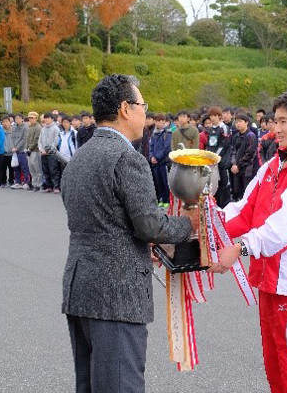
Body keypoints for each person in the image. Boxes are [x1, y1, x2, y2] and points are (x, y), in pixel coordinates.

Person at [61, 74, 196, 393]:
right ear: (125, 108)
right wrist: (189, 222)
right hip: (116, 292)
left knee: (91, 384)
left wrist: (137, 243)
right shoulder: (126, 158)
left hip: (81, 287)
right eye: (142, 106)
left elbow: (104, 222)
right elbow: (150, 225)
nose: (145, 115)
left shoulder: (79, 157)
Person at [219, 88, 287, 393]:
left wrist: (240, 248)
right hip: (269, 280)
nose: (275, 128)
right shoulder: (271, 167)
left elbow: (282, 228)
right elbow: (242, 212)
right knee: (276, 366)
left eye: (283, 122)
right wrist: (204, 223)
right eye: (274, 121)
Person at [205, 106, 232, 207]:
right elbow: (209, 144)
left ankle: (225, 205)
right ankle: (215, 205)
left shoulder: (224, 127)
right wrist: (208, 155)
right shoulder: (211, 129)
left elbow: (224, 144)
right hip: (212, 161)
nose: (212, 118)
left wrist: (216, 156)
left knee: (224, 184)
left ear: (219, 116)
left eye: (215, 115)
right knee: (214, 184)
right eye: (211, 115)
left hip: (222, 161)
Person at [230, 113, 259, 201]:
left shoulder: (251, 136)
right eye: (236, 122)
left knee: (248, 193)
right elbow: (232, 151)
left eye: (240, 122)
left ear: (246, 122)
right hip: (237, 169)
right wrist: (234, 164)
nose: (238, 124)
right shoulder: (236, 136)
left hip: (248, 170)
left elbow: (250, 154)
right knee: (237, 193)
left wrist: (238, 165)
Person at [149, 113, 172, 207]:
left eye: (162, 121)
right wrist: (151, 157)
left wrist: (157, 158)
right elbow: (151, 147)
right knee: (157, 181)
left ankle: (166, 200)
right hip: (155, 163)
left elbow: (166, 148)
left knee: (165, 181)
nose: (160, 123)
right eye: (158, 121)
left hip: (163, 162)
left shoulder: (168, 134)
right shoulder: (153, 134)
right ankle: (160, 199)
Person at [39, 113, 61, 193]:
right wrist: (41, 149)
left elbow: (56, 141)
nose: (46, 120)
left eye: (48, 118)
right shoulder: (43, 129)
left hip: (52, 153)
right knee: (45, 170)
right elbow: (40, 141)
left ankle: (56, 186)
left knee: (53, 170)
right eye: (45, 118)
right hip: (43, 153)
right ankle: (49, 186)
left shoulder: (56, 128)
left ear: (52, 119)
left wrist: (49, 150)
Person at [11, 113, 30, 189]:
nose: (17, 120)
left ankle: (26, 182)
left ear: (22, 119)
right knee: (16, 167)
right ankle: (17, 182)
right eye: (16, 118)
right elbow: (11, 138)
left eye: (19, 118)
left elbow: (24, 139)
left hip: (22, 150)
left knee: (24, 167)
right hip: (15, 150)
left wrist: (17, 147)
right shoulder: (14, 127)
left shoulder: (25, 128)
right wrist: (13, 147)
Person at [26, 111, 43, 192]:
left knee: (37, 168)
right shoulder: (30, 127)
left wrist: (30, 148)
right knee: (31, 168)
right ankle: (34, 184)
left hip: (35, 150)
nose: (30, 119)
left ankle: (39, 185)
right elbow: (27, 139)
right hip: (29, 150)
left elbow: (36, 140)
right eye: (29, 118)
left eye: (32, 118)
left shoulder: (38, 127)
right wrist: (26, 148)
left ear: (36, 118)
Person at [1, 116, 15, 187]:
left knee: (11, 168)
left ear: (10, 122)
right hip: (3, 152)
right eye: (4, 122)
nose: (5, 123)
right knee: (3, 168)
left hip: (11, 152)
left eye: (7, 122)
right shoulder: (0, 131)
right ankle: (3, 181)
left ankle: (11, 181)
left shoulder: (13, 130)